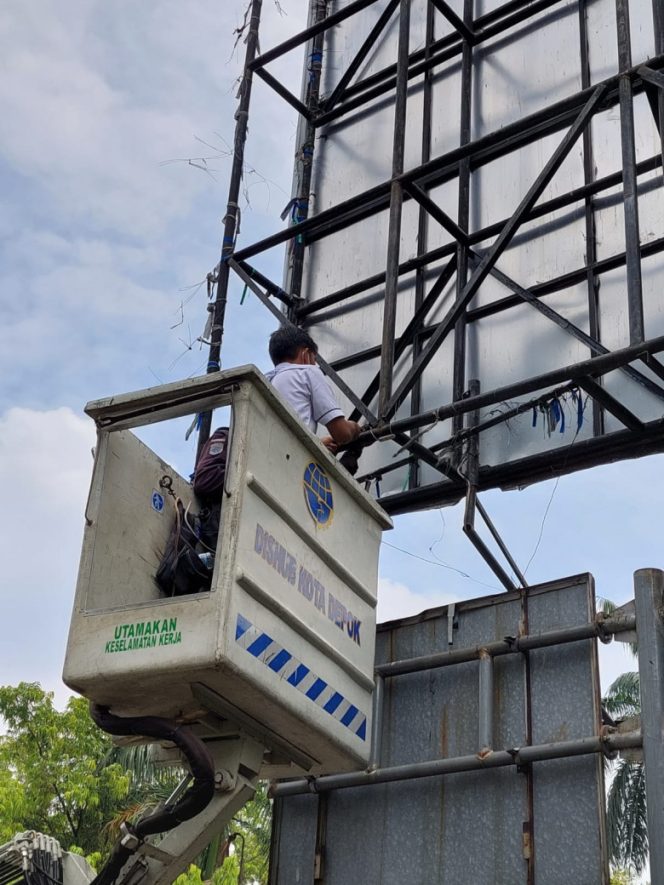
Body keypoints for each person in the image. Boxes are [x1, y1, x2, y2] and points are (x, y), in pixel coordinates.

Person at [266, 326, 361, 452]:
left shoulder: (266, 382)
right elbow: (342, 434)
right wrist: (355, 428)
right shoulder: (307, 372)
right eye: (314, 359)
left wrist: (317, 443)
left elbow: (282, 433)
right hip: (292, 461)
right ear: (305, 354)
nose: (314, 365)